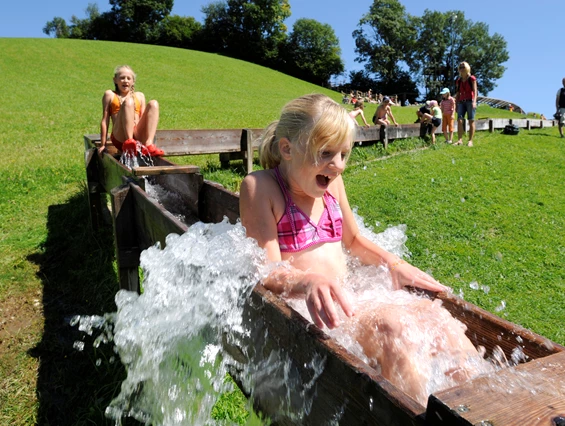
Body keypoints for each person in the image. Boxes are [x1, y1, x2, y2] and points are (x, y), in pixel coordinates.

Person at [239, 94, 488, 405]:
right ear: (287, 149)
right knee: (391, 327)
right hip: (312, 311)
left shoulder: (331, 185)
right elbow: (268, 270)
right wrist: (308, 281)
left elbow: (353, 241)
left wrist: (395, 264)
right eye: (326, 153)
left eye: (344, 154)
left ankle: (481, 408)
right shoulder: (261, 187)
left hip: (351, 297)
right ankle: (420, 413)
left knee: (435, 318)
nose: (338, 166)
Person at [99, 65, 164, 156]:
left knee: (154, 103)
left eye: (128, 78)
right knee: (129, 102)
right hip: (120, 136)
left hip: (137, 134)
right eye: (122, 78)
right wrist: (103, 144)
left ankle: (149, 144)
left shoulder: (140, 96)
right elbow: (105, 120)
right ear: (115, 80)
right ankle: (129, 142)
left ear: (133, 81)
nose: (125, 80)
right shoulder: (110, 95)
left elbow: (144, 120)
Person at [454, 61, 478, 147]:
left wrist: (474, 102)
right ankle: (459, 140)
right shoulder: (458, 80)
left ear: (467, 68)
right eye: (460, 67)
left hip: (470, 101)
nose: (461, 69)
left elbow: (475, 91)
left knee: (471, 120)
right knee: (459, 120)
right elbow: (457, 93)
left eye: (463, 67)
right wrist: (456, 104)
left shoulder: (472, 78)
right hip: (461, 101)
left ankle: (470, 140)